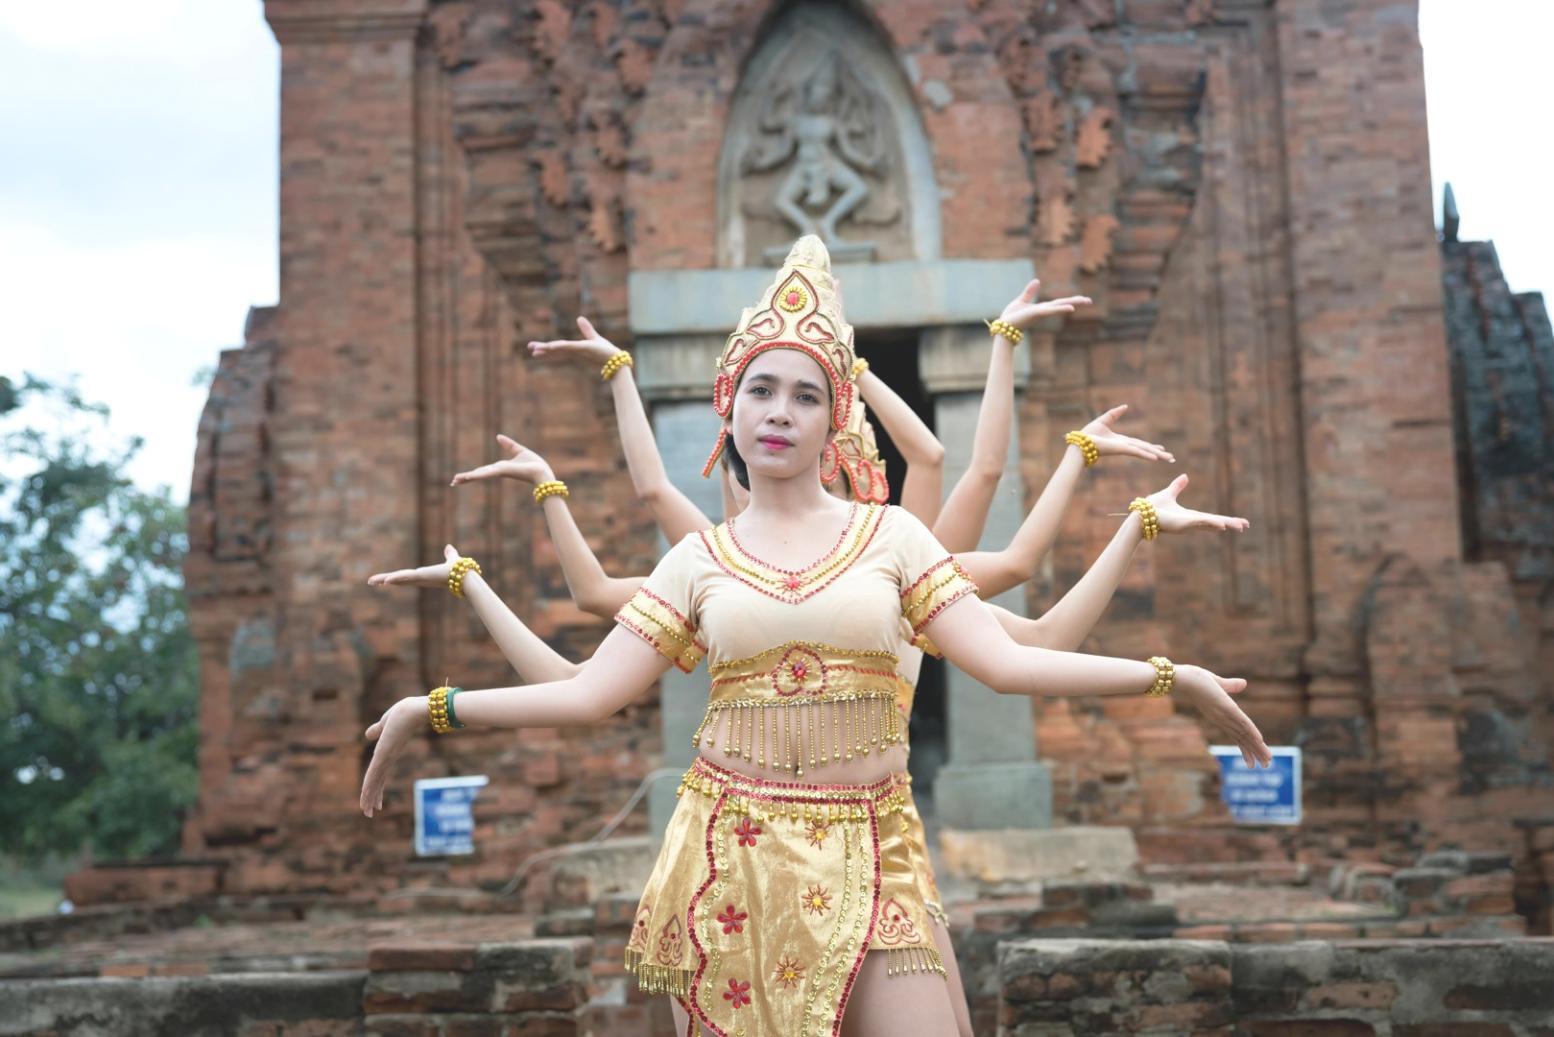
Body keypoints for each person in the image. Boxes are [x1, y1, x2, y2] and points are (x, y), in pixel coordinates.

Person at [360, 236, 1271, 1036]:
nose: (780, 410)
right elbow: (587, 690)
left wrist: (1169, 676)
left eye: (805, 394)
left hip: (877, 851)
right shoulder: (698, 560)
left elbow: (1013, 657)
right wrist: (431, 706)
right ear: (732, 409)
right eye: (761, 389)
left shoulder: (894, 538)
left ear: (835, 417)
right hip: (729, 858)